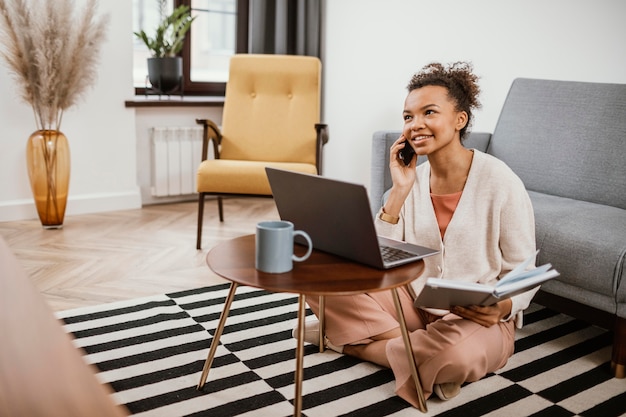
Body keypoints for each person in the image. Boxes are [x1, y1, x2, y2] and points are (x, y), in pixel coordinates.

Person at [299, 62, 538, 407]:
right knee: (318, 281)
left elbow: (525, 268)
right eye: (408, 117)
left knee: (453, 358)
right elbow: (378, 260)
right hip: (413, 306)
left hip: (475, 317)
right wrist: (398, 191)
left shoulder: (500, 181)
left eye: (429, 112)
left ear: (460, 119)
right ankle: (416, 354)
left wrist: (504, 306)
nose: (416, 125)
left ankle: (345, 340)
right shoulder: (413, 180)